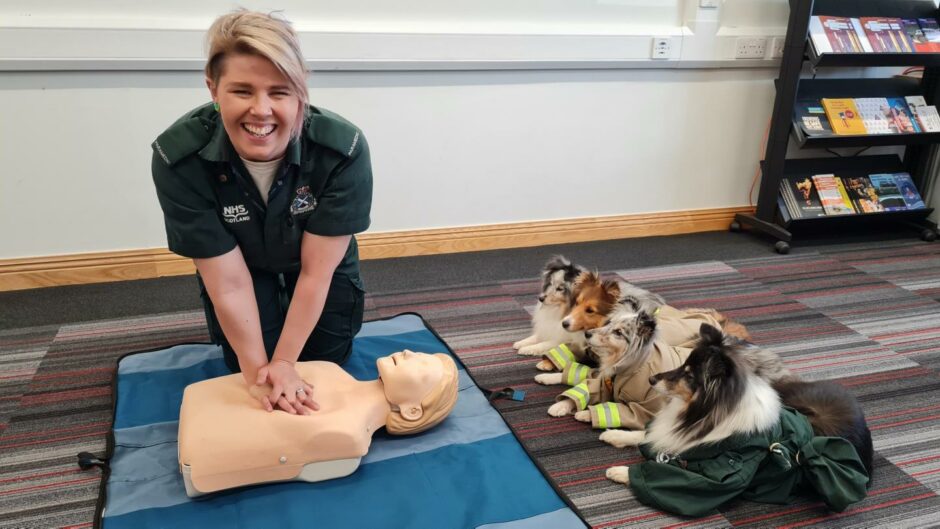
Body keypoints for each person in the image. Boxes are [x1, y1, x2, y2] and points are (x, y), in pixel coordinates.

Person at [151, 10, 372, 415]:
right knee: (246, 368)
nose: (261, 110)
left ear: (301, 93)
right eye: (242, 91)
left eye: (279, 91)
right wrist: (262, 374)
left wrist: (287, 363)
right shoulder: (177, 159)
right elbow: (230, 285)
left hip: (316, 267)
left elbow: (316, 272)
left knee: (325, 360)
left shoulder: (344, 150)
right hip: (243, 268)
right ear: (213, 89)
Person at [178, 351, 459, 496]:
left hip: (202, 448)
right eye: (420, 355)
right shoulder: (329, 369)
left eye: (421, 366)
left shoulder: (347, 434)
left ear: (412, 412)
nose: (409, 352)